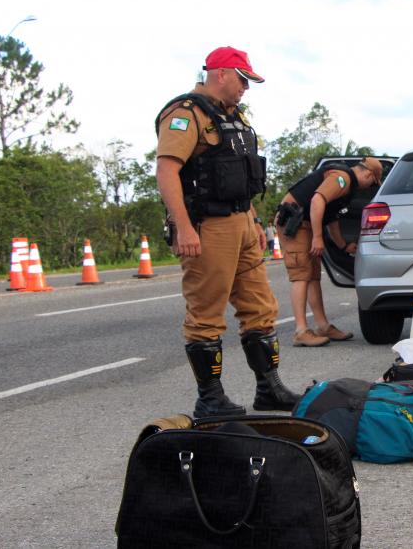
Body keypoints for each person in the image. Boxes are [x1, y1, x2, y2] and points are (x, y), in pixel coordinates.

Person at [155, 46, 298, 418]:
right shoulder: (186, 114)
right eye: (243, 79)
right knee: (206, 313)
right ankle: (210, 399)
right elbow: (167, 170)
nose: (246, 88)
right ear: (221, 73)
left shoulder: (233, 117)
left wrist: (253, 220)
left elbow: (239, 174)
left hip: (242, 222)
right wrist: (184, 227)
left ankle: (269, 389)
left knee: (260, 307)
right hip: (208, 226)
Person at [276, 157, 383, 347]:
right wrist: (318, 237)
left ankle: (323, 326)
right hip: (294, 223)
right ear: (368, 174)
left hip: (305, 223)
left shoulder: (347, 187)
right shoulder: (342, 178)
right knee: (301, 275)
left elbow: (332, 217)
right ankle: (301, 331)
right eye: (373, 183)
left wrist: (343, 246)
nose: (370, 187)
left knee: (313, 275)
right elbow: (317, 200)